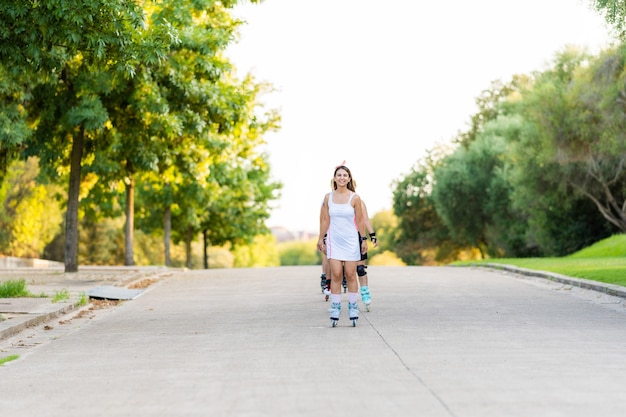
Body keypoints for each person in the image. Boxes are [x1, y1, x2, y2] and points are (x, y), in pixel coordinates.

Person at [318, 164, 367, 327]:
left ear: (349, 178)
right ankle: (335, 307)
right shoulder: (328, 197)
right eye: (339, 175)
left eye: (345, 175)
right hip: (334, 240)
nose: (342, 178)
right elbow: (325, 220)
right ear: (334, 178)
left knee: (351, 274)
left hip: (351, 240)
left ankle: (353, 307)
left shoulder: (355, 198)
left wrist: (364, 239)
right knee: (337, 274)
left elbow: (360, 220)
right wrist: (321, 238)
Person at [357, 199, 378, 311]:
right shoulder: (334, 200)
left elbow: (365, 219)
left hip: (357, 236)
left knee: (360, 269)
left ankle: (365, 294)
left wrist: (372, 235)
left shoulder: (359, 201)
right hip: (341, 238)